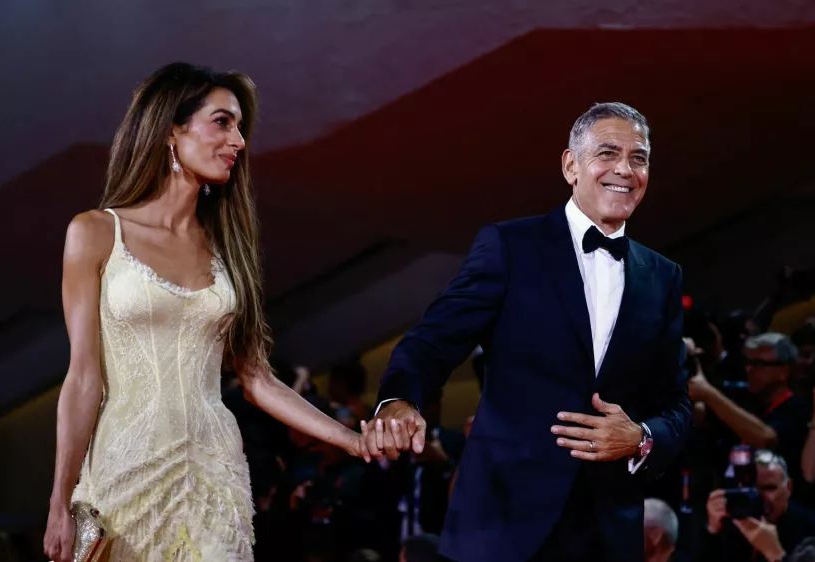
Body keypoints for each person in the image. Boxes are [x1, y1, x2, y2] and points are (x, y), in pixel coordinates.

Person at [42, 62, 371, 562]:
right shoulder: (93, 233)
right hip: (124, 471)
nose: (237, 141)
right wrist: (59, 501)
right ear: (173, 128)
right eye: (223, 122)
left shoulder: (228, 249)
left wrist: (350, 439)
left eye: (239, 127)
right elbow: (83, 379)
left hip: (215, 472)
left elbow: (257, 379)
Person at [365, 102, 692, 562]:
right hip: (500, 524)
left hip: (605, 533)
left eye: (638, 158)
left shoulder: (662, 276)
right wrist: (400, 398)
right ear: (570, 165)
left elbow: (676, 404)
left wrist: (640, 437)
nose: (625, 169)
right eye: (607, 153)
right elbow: (432, 340)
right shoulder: (510, 246)